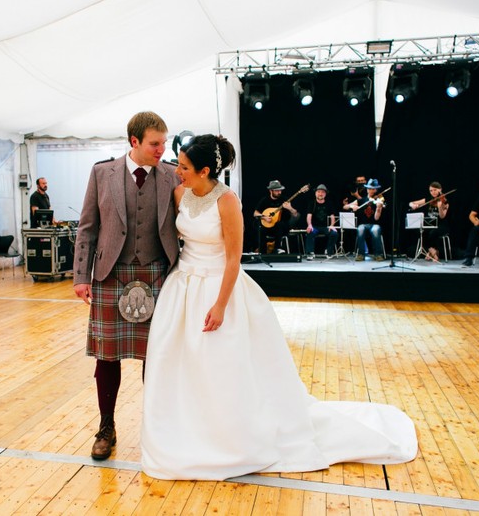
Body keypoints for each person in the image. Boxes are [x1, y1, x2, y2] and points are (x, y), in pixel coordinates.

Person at [141, 134, 417, 480]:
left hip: (217, 286)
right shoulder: (180, 194)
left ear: (205, 170)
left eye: (183, 167)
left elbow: (233, 259)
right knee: (183, 363)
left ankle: (228, 436)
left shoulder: (227, 201)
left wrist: (220, 305)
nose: (176, 171)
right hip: (182, 287)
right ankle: (187, 430)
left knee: (221, 365)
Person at [72, 111, 180, 461]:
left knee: (156, 356)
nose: (162, 149)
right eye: (155, 143)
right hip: (110, 273)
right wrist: (80, 276)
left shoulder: (173, 175)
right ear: (134, 141)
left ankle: (156, 428)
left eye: (164, 142)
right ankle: (106, 427)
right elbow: (87, 227)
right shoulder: (102, 173)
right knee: (107, 356)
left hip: (159, 273)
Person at [253, 180, 301, 253]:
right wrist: (264, 217)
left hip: (282, 227)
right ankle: (262, 251)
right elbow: (255, 213)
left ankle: (277, 248)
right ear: (270, 191)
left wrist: (290, 208)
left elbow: (296, 215)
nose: (279, 192)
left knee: (279, 224)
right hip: (269, 227)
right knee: (259, 225)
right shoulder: (265, 200)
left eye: (280, 190)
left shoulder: (285, 200)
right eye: (277, 190)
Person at [408, 181, 450, 262]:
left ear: (440, 189)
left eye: (435, 190)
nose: (433, 192)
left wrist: (440, 208)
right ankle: (433, 252)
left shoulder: (445, 201)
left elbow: (442, 216)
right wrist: (413, 205)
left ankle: (431, 253)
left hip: (442, 225)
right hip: (430, 225)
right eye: (431, 190)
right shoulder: (429, 199)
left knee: (433, 232)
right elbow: (411, 203)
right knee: (420, 231)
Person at [347, 178, 385, 261]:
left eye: (373, 189)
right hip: (363, 224)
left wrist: (378, 208)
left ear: (376, 190)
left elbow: (376, 218)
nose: (371, 190)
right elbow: (345, 206)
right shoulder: (361, 200)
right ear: (367, 189)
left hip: (374, 224)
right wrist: (352, 206)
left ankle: (378, 254)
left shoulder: (379, 201)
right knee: (360, 229)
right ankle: (361, 254)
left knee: (375, 230)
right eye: (369, 188)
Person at [304, 184, 338, 260]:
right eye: (318, 192)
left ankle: (328, 251)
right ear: (315, 193)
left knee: (334, 233)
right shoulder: (312, 203)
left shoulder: (329, 203)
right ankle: (310, 253)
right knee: (310, 232)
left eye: (322, 192)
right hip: (315, 227)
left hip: (326, 227)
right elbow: (309, 215)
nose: (320, 194)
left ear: (325, 194)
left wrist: (332, 225)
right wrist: (309, 225)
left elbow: (332, 216)